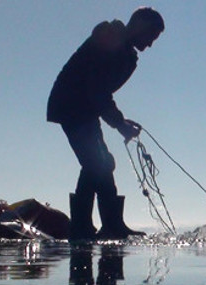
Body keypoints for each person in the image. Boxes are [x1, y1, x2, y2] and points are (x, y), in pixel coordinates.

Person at [47, 7, 165, 241]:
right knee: (96, 164)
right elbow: (95, 88)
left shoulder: (127, 55)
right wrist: (119, 124)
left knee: (102, 163)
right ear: (140, 26)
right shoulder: (109, 36)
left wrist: (120, 120)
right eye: (151, 36)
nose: (150, 44)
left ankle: (107, 224)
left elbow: (101, 93)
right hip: (71, 106)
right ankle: (86, 228)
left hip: (85, 110)